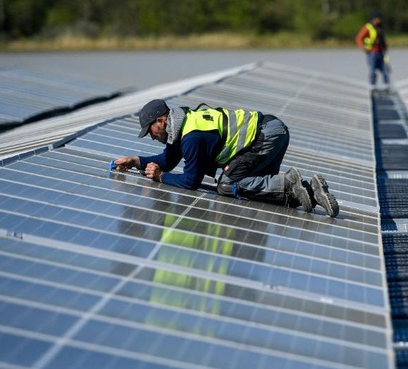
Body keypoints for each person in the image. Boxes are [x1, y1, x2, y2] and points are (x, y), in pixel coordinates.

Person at [112, 99, 339, 217]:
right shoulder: (182, 124)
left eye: (150, 131)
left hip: (264, 137)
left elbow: (191, 181)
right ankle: (310, 190)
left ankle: (290, 181)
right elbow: (168, 161)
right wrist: (135, 161)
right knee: (261, 191)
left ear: (161, 121)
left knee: (228, 185)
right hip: (271, 131)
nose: (151, 137)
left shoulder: (191, 136)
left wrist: (161, 178)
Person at [355, 12, 389, 89]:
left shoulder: (380, 27)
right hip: (372, 52)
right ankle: (372, 86)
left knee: (385, 69)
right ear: (373, 19)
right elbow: (358, 38)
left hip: (382, 52)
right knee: (373, 70)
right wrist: (363, 48)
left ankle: (387, 86)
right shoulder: (368, 27)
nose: (379, 20)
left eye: (380, 19)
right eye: (377, 19)